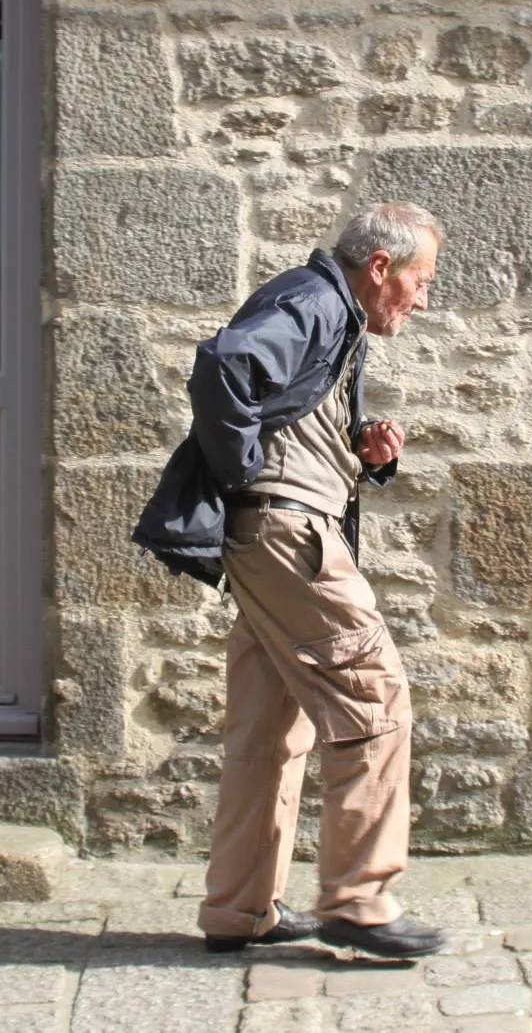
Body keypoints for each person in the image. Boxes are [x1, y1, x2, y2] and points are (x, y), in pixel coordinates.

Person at [133, 201, 448, 960]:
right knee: (376, 697)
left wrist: (364, 453)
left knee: (270, 728)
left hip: (276, 533)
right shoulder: (312, 300)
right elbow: (225, 367)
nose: (425, 298)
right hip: (286, 534)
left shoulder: (331, 316)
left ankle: (240, 909)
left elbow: (286, 415)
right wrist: (249, 476)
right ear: (381, 268)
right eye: (421, 280)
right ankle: (360, 900)